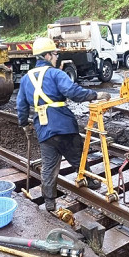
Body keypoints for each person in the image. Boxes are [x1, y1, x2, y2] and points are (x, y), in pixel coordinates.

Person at [16, 37, 110, 212]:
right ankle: (89, 180)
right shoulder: (55, 74)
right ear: (47, 56)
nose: (56, 57)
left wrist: (24, 125)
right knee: (78, 157)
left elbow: (21, 106)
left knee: (49, 166)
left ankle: (49, 201)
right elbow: (72, 92)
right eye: (54, 54)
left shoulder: (25, 79)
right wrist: (96, 95)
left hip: (44, 129)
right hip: (63, 125)